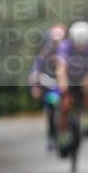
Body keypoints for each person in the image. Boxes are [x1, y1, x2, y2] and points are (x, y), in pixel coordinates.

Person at [55, 21, 88, 154]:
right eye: (78, 44)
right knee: (65, 105)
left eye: (84, 44)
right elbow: (61, 68)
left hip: (85, 77)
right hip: (69, 77)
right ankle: (63, 136)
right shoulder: (65, 46)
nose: (81, 47)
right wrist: (63, 84)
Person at [29, 23, 67, 151]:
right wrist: (35, 86)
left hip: (66, 86)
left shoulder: (69, 52)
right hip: (50, 86)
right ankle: (51, 138)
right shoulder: (43, 54)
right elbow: (35, 72)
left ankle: (68, 132)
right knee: (51, 111)